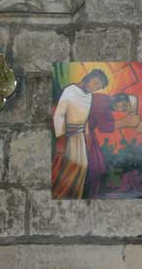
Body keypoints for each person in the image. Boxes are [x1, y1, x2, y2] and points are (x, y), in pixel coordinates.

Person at [52, 69, 109, 199]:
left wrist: (87, 136)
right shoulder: (70, 90)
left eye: (98, 87)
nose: (94, 88)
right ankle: (63, 196)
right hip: (68, 136)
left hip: (80, 137)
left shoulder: (88, 95)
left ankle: (75, 196)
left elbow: (85, 118)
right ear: (88, 77)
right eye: (95, 83)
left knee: (82, 168)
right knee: (68, 168)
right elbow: (59, 115)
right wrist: (60, 140)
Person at [84, 93, 142, 198]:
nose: (121, 108)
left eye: (124, 109)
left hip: (89, 135)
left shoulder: (107, 105)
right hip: (83, 133)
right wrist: (125, 122)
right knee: (95, 166)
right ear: (119, 97)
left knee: (99, 166)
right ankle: (90, 194)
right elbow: (104, 126)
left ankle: (92, 194)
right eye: (124, 105)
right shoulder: (104, 100)